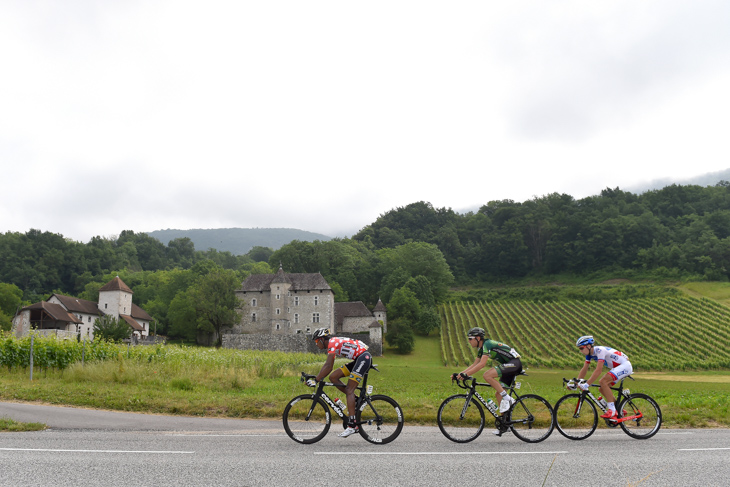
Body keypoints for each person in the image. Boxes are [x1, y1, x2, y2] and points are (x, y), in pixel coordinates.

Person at [308, 328, 372, 438]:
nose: (316, 344)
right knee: (333, 377)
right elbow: (329, 369)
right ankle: (355, 400)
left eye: (316, 341)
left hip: (363, 358)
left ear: (322, 339)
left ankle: (352, 426)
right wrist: (317, 377)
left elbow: (328, 366)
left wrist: (316, 380)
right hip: (358, 359)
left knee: (349, 390)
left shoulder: (332, 343)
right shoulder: (332, 342)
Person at [452, 327, 522, 419]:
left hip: (514, 363)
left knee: (487, 375)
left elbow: (482, 364)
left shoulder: (487, 344)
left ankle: (509, 399)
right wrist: (460, 374)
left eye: (470, 339)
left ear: (478, 338)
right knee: (498, 395)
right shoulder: (481, 349)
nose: (469, 341)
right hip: (508, 366)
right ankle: (505, 424)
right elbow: (475, 364)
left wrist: (466, 375)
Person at [568, 335, 633, 421]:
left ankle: (612, 411)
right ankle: (619, 409)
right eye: (579, 349)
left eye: (581, 348)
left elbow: (598, 370)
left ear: (589, 346)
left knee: (603, 382)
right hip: (619, 367)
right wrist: (576, 383)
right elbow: (584, 369)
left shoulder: (600, 351)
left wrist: (587, 384)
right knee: (602, 388)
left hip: (625, 366)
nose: (581, 351)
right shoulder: (589, 355)